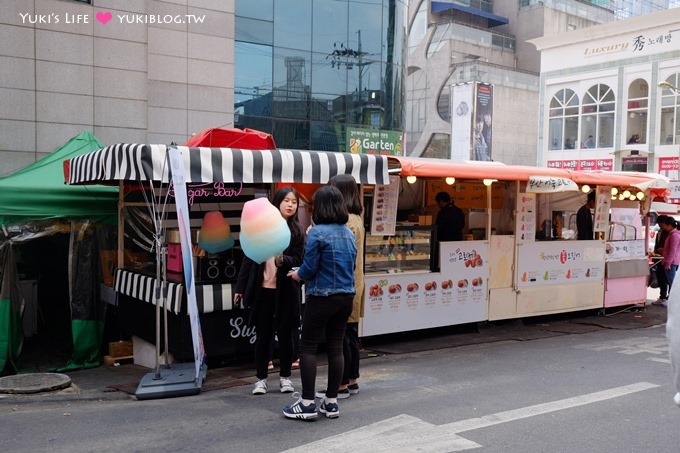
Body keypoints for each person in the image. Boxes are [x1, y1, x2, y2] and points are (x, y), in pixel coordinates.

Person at [283, 186, 357, 420]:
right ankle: (331, 402)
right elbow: (352, 265)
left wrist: (298, 275)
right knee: (336, 347)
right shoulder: (348, 232)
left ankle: (306, 404)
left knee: (309, 348)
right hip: (346, 297)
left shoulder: (316, 232)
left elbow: (310, 266)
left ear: (320, 206)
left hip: (321, 296)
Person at [234, 187, 304, 396]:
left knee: (285, 336)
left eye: (294, 202)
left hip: (286, 291)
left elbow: (300, 259)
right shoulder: (261, 226)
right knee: (263, 336)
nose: (290, 205)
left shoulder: (297, 231)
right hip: (262, 289)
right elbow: (249, 258)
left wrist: (284, 260)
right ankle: (261, 379)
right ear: (277, 203)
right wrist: (240, 287)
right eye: (287, 201)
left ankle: (285, 378)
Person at [329, 174, 364, 399]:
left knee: (341, 336)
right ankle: (351, 381)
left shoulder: (347, 222)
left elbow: (341, 257)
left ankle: (341, 384)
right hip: (356, 282)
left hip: (345, 284)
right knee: (350, 335)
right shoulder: (357, 218)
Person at [652, 215, 670, 305]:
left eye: (661, 224)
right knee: (661, 278)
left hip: (667, 260)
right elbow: (657, 243)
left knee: (667, 279)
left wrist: (663, 250)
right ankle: (662, 296)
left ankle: (666, 297)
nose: (660, 226)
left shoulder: (670, 233)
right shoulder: (660, 232)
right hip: (658, 258)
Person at [659, 216, 680, 289]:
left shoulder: (674, 235)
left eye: (664, 225)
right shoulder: (672, 234)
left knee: (672, 284)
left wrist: (668, 263)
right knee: (671, 283)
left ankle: (673, 300)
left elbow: (672, 251)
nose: (663, 227)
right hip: (672, 262)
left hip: (671, 263)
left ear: (669, 225)